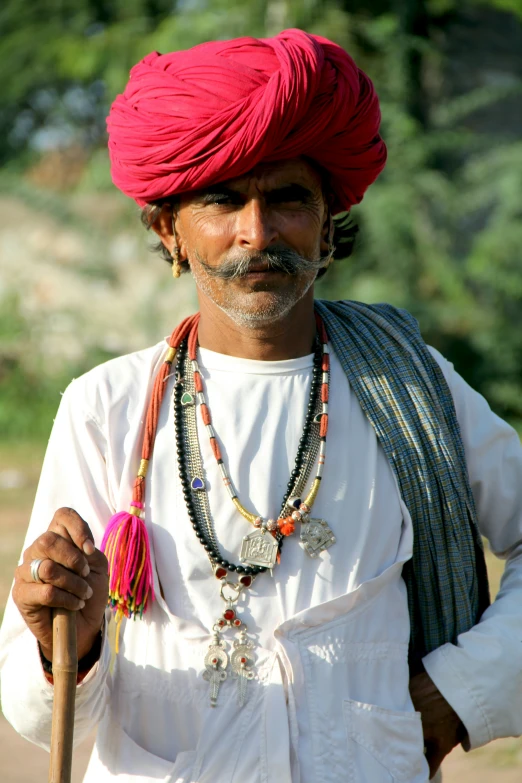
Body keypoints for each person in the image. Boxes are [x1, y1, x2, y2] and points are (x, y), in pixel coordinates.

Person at [1, 29, 522, 783]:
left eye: (286, 199)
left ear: (326, 224)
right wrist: (69, 644)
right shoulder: (106, 409)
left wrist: (461, 689)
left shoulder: (412, 387)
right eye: (221, 200)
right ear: (168, 231)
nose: (257, 232)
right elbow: (38, 715)